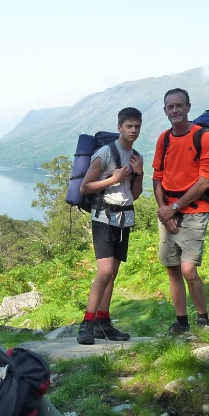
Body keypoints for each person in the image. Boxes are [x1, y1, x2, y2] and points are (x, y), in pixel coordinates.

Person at [152, 88, 209, 335]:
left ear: (189, 107)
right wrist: (163, 210)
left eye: (179, 106)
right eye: (170, 107)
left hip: (194, 210)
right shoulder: (164, 139)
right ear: (165, 110)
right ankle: (181, 322)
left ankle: (203, 319)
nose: (175, 110)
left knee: (188, 270)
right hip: (168, 210)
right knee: (172, 268)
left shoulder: (204, 137)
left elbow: (204, 182)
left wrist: (174, 208)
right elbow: (157, 177)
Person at [76, 107, 145, 345]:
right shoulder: (105, 154)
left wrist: (140, 173)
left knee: (112, 274)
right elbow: (85, 187)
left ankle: (103, 324)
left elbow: (134, 195)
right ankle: (87, 324)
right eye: (129, 126)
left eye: (137, 126)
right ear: (120, 127)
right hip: (104, 218)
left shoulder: (137, 156)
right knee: (104, 272)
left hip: (125, 220)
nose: (133, 130)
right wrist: (113, 179)